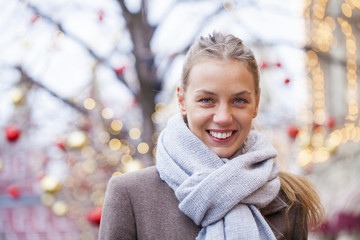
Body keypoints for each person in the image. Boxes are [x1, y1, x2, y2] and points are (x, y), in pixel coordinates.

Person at [98, 32, 324, 240]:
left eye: (239, 100)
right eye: (207, 100)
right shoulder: (130, 195)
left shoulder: (289, 201)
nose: (224, 117)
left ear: (256, 103)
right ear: (182, 101)